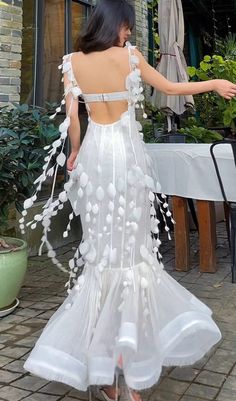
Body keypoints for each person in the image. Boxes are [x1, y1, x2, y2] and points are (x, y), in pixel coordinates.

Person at [21, 1, 236, 400]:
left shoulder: (71, 62)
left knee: (103, 255)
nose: (129, 34)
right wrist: (213, 84)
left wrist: (74, 153)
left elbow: (74, 117)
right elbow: (169, 89)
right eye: (126, 27)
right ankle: (124, 368)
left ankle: (107, 373)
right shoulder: (130, 56)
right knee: (132, 254)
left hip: (95, 159)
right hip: (127, 157)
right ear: (117, 23)